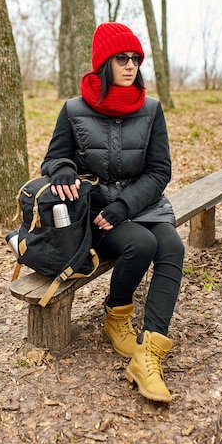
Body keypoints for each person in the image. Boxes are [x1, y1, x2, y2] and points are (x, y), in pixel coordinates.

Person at [41, 22, 184, 403]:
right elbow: (53, 158)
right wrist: (64, 169)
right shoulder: (74, 109)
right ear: (104, 63)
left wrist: (127, 204)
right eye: (122, 58)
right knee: (140, 244)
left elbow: (159, 171)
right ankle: (116, 315)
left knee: (171, 247)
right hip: (97, 212)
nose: (131, 65)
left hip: (141, 205)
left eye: (136, 58)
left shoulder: (151, 109)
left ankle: (148, 355)